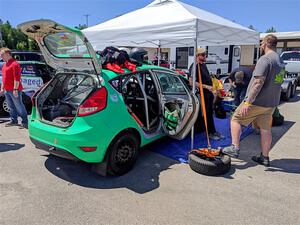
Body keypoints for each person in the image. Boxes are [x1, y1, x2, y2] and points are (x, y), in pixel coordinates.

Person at [222, 34, 285, 167]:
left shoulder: (265, 59)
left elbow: (258, 82)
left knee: (236, 119)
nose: (261, 45)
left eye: (262, 43)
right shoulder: (280, 61)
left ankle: (234, 147)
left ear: (267, 43)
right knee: (265, 129)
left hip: (257, 102)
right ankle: (265, 157)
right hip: (271, 104)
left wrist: (248, 102)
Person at [189, 48, 224, 140]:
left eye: (205, 54)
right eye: (203, 55)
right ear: (198, 56)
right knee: (206, 113)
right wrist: (206, 87)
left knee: (209, 112)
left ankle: (211, 131)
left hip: (208, 93)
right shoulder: (194, 66)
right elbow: (191, 82)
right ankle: (210, 133)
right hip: (201, 93)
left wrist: (213, 87)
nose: (205, 57)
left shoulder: (203, 65)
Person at [0, 47, 28, 129]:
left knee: (19, 106)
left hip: (14, 90)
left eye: (2, 54)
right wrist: (2, 88)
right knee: (11, 107)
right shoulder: (5, 65)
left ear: (8, 54)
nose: (1, 56)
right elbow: (4, 78)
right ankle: (14, 121)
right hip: (7, 90)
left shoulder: (15, 64)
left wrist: (15, 89)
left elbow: (17, 78)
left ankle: (25, 122)